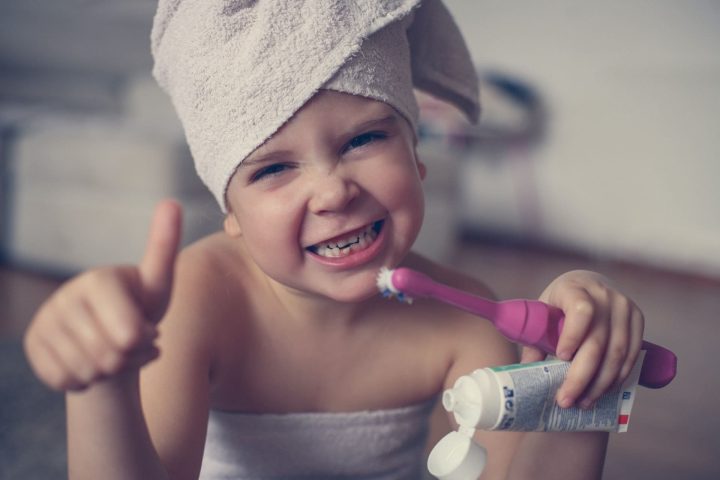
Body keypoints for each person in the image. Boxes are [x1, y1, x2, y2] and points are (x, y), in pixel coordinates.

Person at [23, 1, 644, 479]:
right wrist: (100, 386)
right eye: (272, 169)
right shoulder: (196, 300)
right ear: (230, 212)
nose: (332, 192)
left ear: (418, 156)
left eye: (363, 140)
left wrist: (577, 378)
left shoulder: (464, 321)